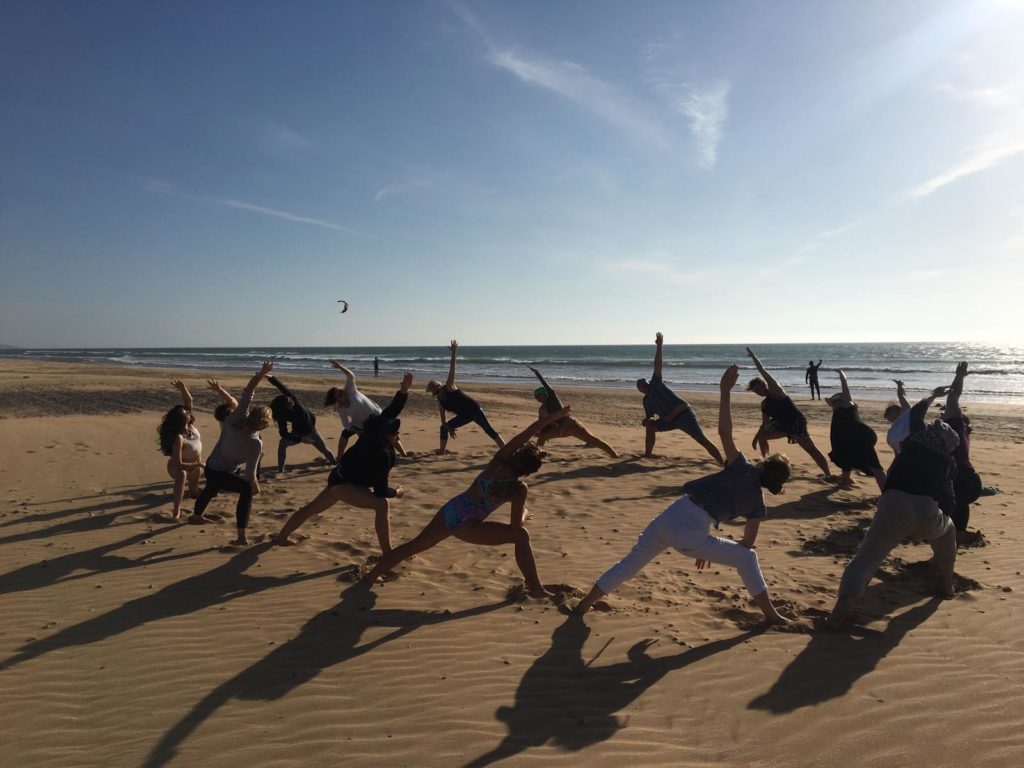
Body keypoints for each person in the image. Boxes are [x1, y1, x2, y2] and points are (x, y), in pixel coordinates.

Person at [575, 365, 791, 625]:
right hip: (693, 533)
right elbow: (747, 543)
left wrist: (725, 392)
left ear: (763, 465)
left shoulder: (741, 467)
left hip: (671, 514)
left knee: (629, 565)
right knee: (749, 558)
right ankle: (771, 615)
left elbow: (724, 432)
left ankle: (585, 604)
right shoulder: (757, 502)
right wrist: (709, 549)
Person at [359, 405, 573, 597]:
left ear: (516, 455)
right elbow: (516, 527)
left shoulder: (497, 463)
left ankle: (370, 577)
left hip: (452, 510)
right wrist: (525, 513)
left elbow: (526, 433)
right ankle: (535, 588)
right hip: (468, 526)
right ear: (529, 472)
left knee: (412, 546)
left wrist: (552, 417)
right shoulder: (518, 489)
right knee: (522, 536)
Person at [827, 386, 959, 626]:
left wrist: (933, 395)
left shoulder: (917, 436)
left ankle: (838, 614)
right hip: (927, 512)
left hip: (893, 506)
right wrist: (936, 520)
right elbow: (949, 502)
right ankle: (947, 585)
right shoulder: (949, 463)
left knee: (866, 559)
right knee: (948, 531)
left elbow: (918, 411)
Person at [273, 373, 414, 551]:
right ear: (385, 436)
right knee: (382, 504)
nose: (397, 434)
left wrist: (404, 390)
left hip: (340, 477)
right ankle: (388, 554)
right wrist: (397, 492)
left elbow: (392, 410)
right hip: (345, 485)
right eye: (395, 433)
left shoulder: (374, 429)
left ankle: (281, 537)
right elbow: (380, 491)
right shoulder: (382, 454)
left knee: (312, 508)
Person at [189, 361, 274, 545]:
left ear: (251, 413)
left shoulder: (237, 415)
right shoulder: (255, 444)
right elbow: (250, 475)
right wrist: (255, 486)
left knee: (210, 489)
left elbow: (249, 390)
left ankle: (196, 516)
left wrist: (261, 373)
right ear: (264, 426)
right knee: (245, 491)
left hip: (211, 466)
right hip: (222, 472)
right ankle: (242, 537)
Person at [746, 347, 833, 479]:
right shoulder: (764, 404)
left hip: (796, 422)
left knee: (811, 449)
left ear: (764, 385)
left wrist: (753, 356)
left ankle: (828, 475)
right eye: (754, 391)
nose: (757, 392)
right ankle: (767, 465)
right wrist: (756, 438)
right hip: (783, 425)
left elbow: (762, 370)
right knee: (763, 436)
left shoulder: (776, 390)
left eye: (758, 389)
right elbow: (764, 424)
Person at [635, 333, 723, 464]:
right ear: (640, 390)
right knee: (650, 427)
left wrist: (659, 346)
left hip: (684, 416)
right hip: (669, 421)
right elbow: (650, 416)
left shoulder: (656, 384)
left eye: (646, 384)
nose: (646, 386)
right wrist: (647, 420)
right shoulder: (646, 401)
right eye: (643, 386)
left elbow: (658, 365)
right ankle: (648, 455)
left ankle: (722, 462)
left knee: (702, 440)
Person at [426, 339, 504, 455]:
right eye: (434, 394)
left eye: (437, 392)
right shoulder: (441, 402)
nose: (437, 395)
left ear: (440, 387)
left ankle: (506, 449)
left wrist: (453, 353)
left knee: (489, 430)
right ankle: (442, 451)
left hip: (475, 410)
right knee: (443, 428)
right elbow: (443, 420)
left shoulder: (449, 387)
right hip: (465, 416)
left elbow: (452, 370)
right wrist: (449, 428)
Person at [529, 366, 617, 458]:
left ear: (545, 394)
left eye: (539, 396)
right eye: (536, 397)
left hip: (571, 425)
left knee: (594, 440)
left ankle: (614, 455)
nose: (538, 398)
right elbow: (541, 422)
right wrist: (540, 431)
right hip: (559, 429)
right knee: (542, 437)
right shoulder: (542, 409)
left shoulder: (553, 400)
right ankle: (537, 456)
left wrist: (537, 374)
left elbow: (549, 389)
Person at [324, 360, 407, 458]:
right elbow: (346, 424)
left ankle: (403, 454)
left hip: (376, 414)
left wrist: (340, 367)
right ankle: (339, 458)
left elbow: (350, 375)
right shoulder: (341, 409)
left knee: (390, 433)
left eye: (341, 390)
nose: (343, 392)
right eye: (340, 393)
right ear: (338, 400)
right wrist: (358, 431)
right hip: (362, 424)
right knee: (345, 434)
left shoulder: (350, 390)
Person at [826, 369, 886, 492]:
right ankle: (845, 479)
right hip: (852, 439)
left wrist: (841, 374)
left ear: (840, 401)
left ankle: (886, 493)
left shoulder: (847, 405)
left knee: (875, 467)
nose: (832, 405)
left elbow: (845, 386)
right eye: (832, 403)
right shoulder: (839, 411)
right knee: (846, 456)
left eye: (834, 402)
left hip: (861, 437)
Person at [942, 362, 982, 538]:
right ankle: (959, 534)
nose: (942, 414)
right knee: (958, 505)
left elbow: (953, 397)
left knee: (953, 505)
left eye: (944, 414)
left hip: (962, 479)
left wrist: (959, 376)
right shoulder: (961, 432)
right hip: (969, 480)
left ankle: (955, 535)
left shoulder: (955, 426)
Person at [267, 374, 335, 472]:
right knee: (282, 444)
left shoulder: (294, 401)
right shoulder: (281, 416)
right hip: (299, 433)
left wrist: (270, 378)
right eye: (288, 402)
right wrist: (300, 439)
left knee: (325, 450)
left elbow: (282, 388)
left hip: (312, 431)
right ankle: (281, 470)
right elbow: (283, 433)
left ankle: (334, 464)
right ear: (284, 408)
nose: (291, 401)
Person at [157, 380, 204, 521]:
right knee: (182, 474)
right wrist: (198, 465)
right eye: (186, 414)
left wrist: (183, 388)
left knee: (194, 491)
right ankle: (176, 511)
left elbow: (189, 400)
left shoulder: (190, 425)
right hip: (178, 467)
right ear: (181, 420)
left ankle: (194, 492)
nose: (189, 413)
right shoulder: (179, 438)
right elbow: (179, 464)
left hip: (195, 464)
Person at [883, 379, 912, 456]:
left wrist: (900, 385)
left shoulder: (907, 413)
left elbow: (902, 396)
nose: (887, 417)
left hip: (911, 445)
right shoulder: (891, 431)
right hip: (904, 449)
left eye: (889, 412)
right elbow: (896, 452)